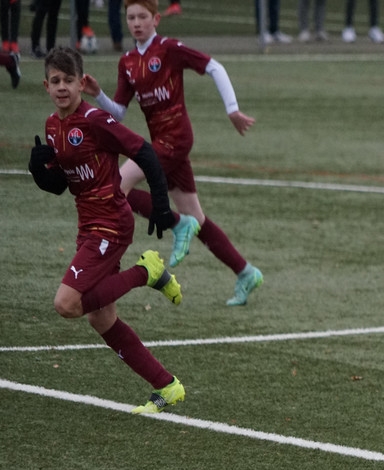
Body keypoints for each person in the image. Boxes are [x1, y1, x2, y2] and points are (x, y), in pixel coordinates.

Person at [30, 46, 193, 414]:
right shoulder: (53, 125)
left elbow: (144, 151)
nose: (62, 87)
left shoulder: (95, 120)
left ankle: (146, 272)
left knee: (66, 304)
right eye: (55, 81)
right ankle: (167, 386)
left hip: (111, 225)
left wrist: (161, 205)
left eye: (69, 80)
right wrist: (39, 171)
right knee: (101, 317)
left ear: (81, 83)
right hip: (88, 225)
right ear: (46, 86)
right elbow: (60, 184)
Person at [84, 0, 264, 307]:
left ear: (156, 19)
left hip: (176, 139)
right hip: (163, 144)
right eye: (131, 17)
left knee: (115, 185)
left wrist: (232, 109)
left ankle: (176, 223)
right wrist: (98, 94)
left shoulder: (169, 49)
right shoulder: (127, 62)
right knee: (197, 218)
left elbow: (215, 67)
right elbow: (120, 112)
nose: (136, 22)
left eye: (142, 16)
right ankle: (245, 272)